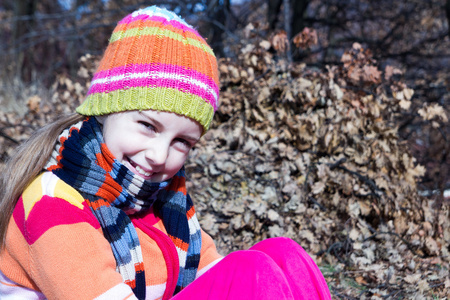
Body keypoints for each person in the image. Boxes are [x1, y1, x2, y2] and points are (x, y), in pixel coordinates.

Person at [0, 6, 332, 300]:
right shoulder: (52, 200)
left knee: (283, 254)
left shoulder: (164, 202)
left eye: (182, 142)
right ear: (103, 111)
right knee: (250, 272)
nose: (159, 156)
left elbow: (211, 273)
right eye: (147, 125)